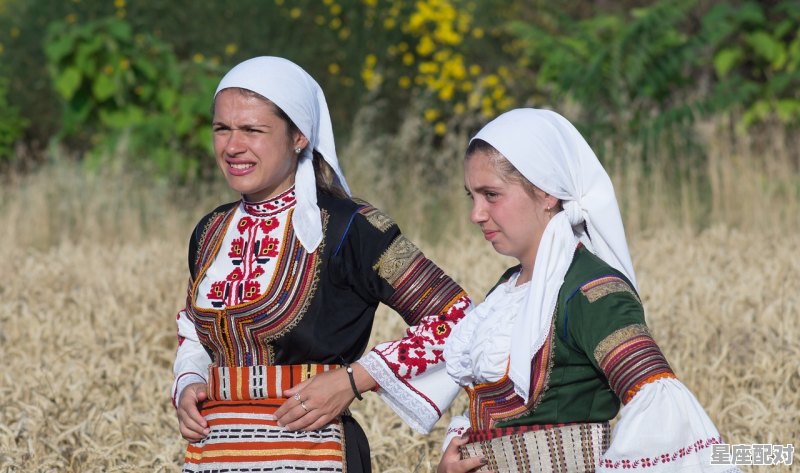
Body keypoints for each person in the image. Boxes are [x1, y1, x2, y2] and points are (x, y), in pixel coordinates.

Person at [171, 56, 471, 473]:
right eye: (222, 129)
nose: (232, 146)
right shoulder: (211, 231)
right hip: (216, 455)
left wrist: (354, 380)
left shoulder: (354, 227)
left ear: (299, 136)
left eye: (253, 130)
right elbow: (194, 329)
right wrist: (188, 384)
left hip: (312, 455)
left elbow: (456, 318)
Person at [437, 109, 741, 473]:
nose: (476, 214)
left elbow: (658, 404)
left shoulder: (593, 292)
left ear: (546, 192)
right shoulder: (506, 290)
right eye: (471, 196)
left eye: (491, 195)